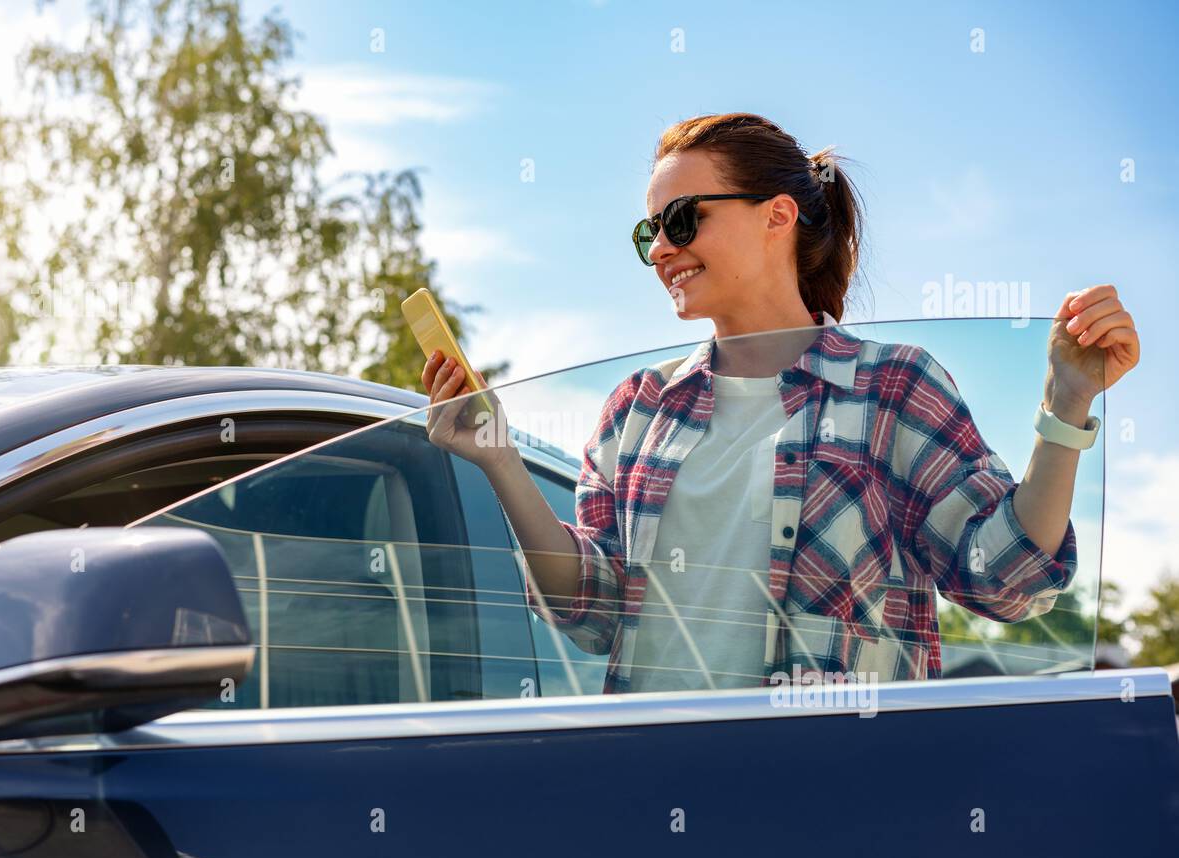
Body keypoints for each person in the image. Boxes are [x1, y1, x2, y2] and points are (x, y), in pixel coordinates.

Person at [420, 112, 1140, 694]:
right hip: (651, 795)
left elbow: (1007, 579)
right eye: (649, 234)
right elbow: (591, 609)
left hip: (829, 809)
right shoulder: (636, 407)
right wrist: (500, 460)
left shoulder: (894, 388)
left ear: (778, 216)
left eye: (680, 219)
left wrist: (1066, 404)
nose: (662, 250)